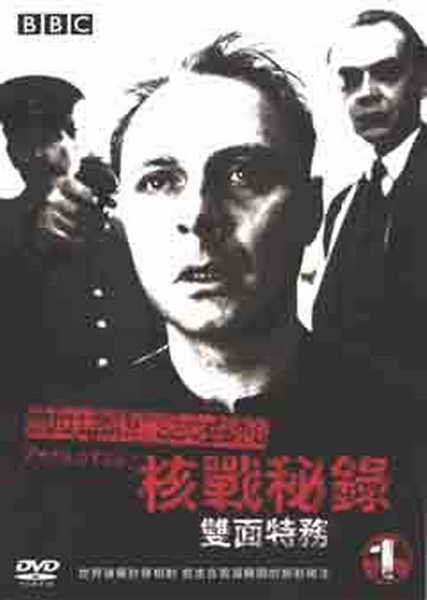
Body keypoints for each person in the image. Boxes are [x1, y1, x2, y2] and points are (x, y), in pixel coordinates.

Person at [8, 36, 421, 600]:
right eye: (159, 180)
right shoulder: (48, 473)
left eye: (244, 175)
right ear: (123, 217)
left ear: (310, 209)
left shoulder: (409, 433)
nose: (199, 217)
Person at [0, 75, 164, 402]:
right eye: (23, 143)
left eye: (52, 138)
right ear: (15, 152)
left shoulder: (118, 230)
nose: (36, 154)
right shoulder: (8, 224)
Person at [312, 9, 427, 405]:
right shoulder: (343, 206)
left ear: (422, 79)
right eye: (350, 79)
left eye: (387, 73)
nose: (365, 93)